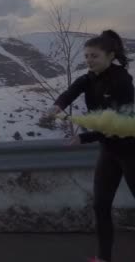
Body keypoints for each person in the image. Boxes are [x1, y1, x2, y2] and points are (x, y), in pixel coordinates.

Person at [41, 30, 135, 262]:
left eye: (94, 56)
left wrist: (85, 138)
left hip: (131, 150)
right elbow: (70, 92)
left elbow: (118, 121)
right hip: (110, 150)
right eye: (87, 56)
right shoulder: (89, 78)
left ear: (110, 56)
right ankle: (103, 258)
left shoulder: (122, 82)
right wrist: (56, 108)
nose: (89, 60)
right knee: (100, 206)